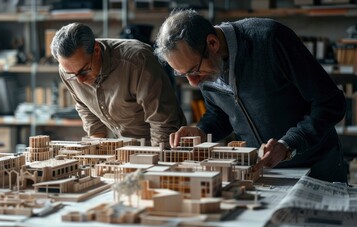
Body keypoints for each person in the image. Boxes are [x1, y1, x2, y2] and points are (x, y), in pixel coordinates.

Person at [154, 9, 347, 182]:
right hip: (264, 172)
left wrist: (289, 144)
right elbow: (220, 114)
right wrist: (202, 131)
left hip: (316, 168)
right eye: (183, 74)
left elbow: (330, 103)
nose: (193, 82)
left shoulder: (269, 39)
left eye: (194, 71)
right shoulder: (208, 66)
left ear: (212, 43)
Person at [50, 23, 186, 146]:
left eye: (84, 70)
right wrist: (97, 145)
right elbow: (84, 105)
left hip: (163, 143)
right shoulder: (68, 70)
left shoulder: (138, 61)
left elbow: (162, 121)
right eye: (72, 74)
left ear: (96, 50)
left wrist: (156, 160)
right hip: (125, 146)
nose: (80, 80)